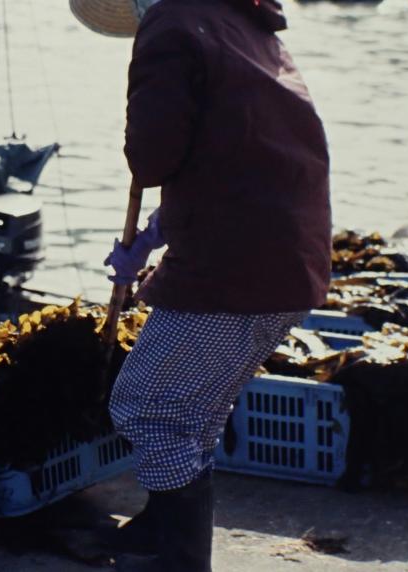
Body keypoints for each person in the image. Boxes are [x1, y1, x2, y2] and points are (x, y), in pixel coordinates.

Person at [102, 0, 332, 570]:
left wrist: (140, 99)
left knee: (143, 407)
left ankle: (181, 557)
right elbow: (236, 153)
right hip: (288, 256)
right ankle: (162, 526)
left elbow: (152, 157)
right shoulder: (247, 24)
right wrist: (156, 233)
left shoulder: (171, 24)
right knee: (196, 411)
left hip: (234, 264)